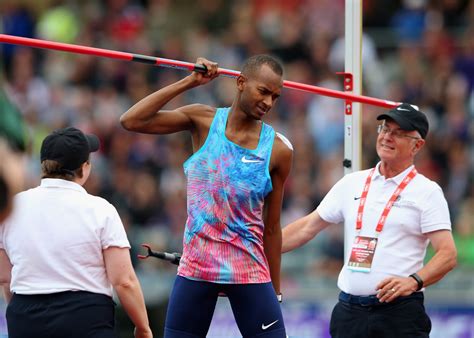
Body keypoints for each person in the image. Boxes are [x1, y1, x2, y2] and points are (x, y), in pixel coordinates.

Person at [120, 55, 293, 338]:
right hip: (197, 268)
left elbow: (272, 228)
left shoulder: (278, 150)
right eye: (263, 91)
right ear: (240, 82)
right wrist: (190, 81)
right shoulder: (203, 120)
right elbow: (131, 120)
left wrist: (275, 291)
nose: (269, 103)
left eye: (275, 96)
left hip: (249, 270)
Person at [282, 103, 457, 338]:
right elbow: (307, 227)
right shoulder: (352, 182)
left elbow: (447, 254)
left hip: (398, 315)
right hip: (349, 312)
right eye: (385, 129)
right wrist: (257, 249)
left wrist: (414, 281)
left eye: (398, 133)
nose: (387, 137)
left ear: (418, 145)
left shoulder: (427, 191)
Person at [0, 127, 153, 338]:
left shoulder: (13, 205)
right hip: (85, 317)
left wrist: (22, 315)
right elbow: (124, 281)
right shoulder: (101, 209)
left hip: (26, 314)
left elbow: (5, 278)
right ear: (84, 168)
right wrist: (143, 328)